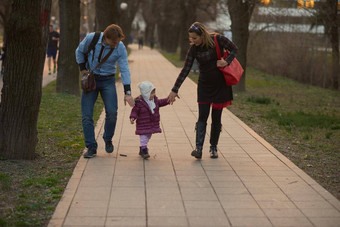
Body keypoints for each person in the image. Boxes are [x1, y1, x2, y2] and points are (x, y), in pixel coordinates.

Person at [167, 22, 238, 159]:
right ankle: (198, 148)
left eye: (195, 38)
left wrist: (227, 61)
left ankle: (213, 148)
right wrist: (174, 90)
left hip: (220, 86)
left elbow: (235, 49)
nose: (192, 41)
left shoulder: (218, 39)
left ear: (202, 35)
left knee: (216, 118)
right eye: (190, 38)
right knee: (202, 117)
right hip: (204, 86)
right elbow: (185, 70)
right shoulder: (194, 49)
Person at [75, 24, 134, 158]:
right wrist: (83, 69)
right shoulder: (92, 38)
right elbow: (79, 51)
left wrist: (127, 92)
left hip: (108, 80)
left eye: (117, 42)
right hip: (92, 80)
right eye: (113, 42)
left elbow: (124, 68)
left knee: (112, 112)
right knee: (87, 115)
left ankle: (108, 138)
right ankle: (91, 146)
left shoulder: (120, 47)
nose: (116, 44)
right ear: (106, 38)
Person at [130, 81, 170, 159]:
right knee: (143, 137)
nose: (153, 95)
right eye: (151, 93)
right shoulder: (139, 103)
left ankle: (142, 148)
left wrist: (168, 100)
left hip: (151, 124)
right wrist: (132, 117)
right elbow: (134, 111)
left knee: (148, 136)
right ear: (145, 93)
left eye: (154, 93)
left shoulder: (154, 101)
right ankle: (144, 149)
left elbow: (161, 102)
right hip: (142, 124)